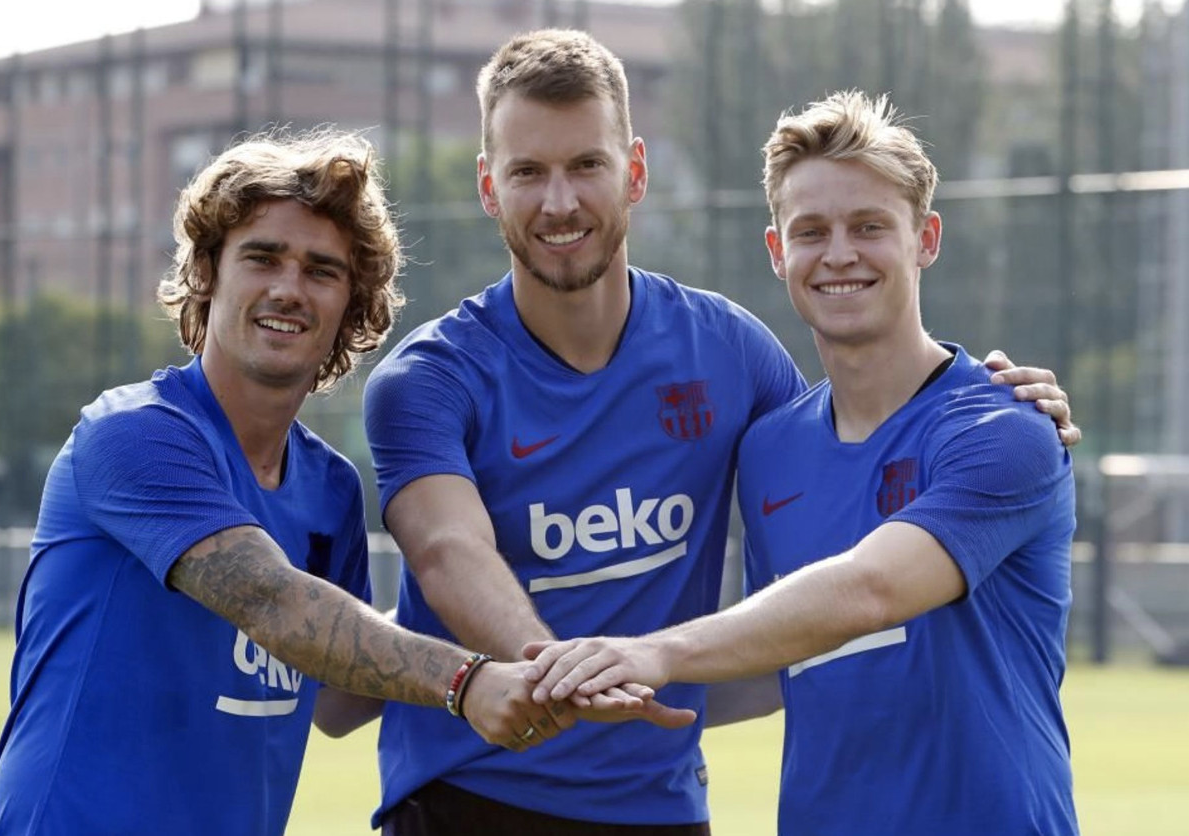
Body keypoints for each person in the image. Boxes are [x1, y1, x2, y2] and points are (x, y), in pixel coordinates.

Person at [355, 30, 1079, 835]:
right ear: (489, 187)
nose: (559, 202)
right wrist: (577, 675)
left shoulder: (765, 368)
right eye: (529, 172)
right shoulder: (430, 379)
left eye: (586, 165)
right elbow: (450, 553)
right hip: (470, 803)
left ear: (634, 172)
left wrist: (645, 659)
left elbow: (860, 585)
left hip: (665, 812)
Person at [0, 128, 674, 836]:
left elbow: (341, 700)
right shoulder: (135, 434)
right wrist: (467, 680)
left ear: (353, 304)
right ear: (207, 273)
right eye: (262, 258)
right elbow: (273, 603)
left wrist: (527, 619)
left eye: (322, 270)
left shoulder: (329, 487)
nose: (289, 288)